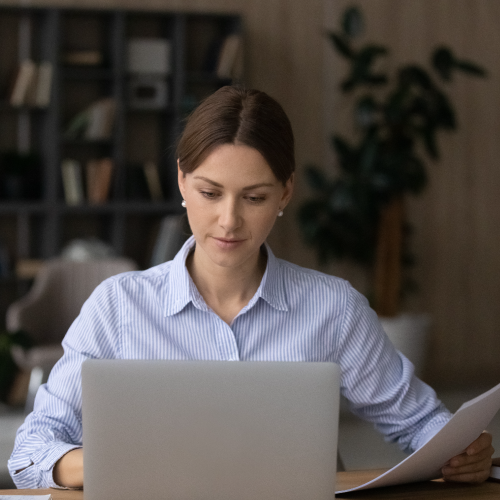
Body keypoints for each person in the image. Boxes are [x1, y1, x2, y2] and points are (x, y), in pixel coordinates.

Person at [9, 86, 493, 489]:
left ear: (285, 192)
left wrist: (464, 452)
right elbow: (30, 455)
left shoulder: (332, 307)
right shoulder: (118, 307)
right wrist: (113, 466)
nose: (229, 221)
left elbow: (421, 424)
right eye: (210, 192)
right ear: (181, 180)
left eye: (255, 197)